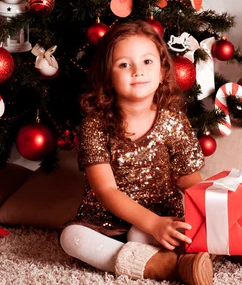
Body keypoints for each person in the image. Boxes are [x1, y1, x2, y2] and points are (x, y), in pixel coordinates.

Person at [60, 21, 213, 285]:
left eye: (147, 62)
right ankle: (160, 266)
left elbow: (189, 178)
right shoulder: (95, 125)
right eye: (124, 64)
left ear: (163, 70)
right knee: (71, 239)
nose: (137, 72)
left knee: (170, 233)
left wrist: (210, 213)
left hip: (162, 217)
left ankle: (235, 250)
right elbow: (106, 191)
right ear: (108, 75)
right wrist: (150, 223)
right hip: (106, 221)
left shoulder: (172, 119)